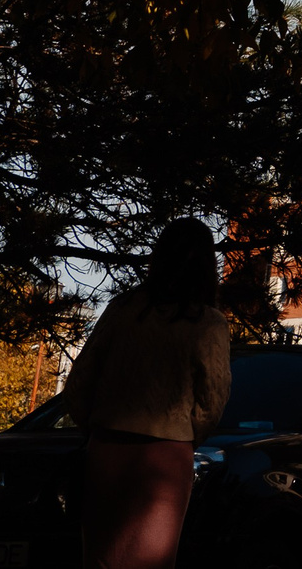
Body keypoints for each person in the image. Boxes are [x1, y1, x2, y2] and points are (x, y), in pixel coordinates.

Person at [59, 219, 232, 569]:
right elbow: (212, 401)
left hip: (107, 448)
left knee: (101, 558)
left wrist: (95, 428)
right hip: (166, 457)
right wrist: (185, 435)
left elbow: (79, 382)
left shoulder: (123, 310)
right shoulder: (208, 323)